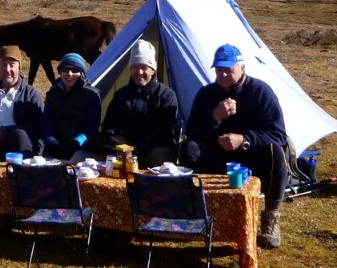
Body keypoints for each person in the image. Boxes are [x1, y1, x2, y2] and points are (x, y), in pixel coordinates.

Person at [184, 43, 289, 249]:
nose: (223, 75)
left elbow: (278, 135)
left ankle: (271, 217)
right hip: (216, 155)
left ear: (242, 68)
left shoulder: (260, 92)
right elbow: (192, 132)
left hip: (252, 157)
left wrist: (244, 139)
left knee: (275, 152)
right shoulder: (206, 94)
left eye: (228, 70)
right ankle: (198, 211)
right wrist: (214, 117)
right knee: (188, 148)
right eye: (219, 70)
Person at [98, 40, 182, 167]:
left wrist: (135, 149)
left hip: (154, 149)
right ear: (130, 69)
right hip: (125, 149)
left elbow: (162, 133)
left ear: (152, 70)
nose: (140, 72)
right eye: (136, 67)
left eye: (144, 68)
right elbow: (109, 127)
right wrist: (123, 147)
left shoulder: (166, 95)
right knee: (104, 147)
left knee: (159, 157)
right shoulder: (121, 95)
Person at [40, 52, 102, 162]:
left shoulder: (92, 95)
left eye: (75, 70)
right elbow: (46, 122)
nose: (69, 74)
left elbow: (91, 127)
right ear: (60, 71)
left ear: (81, 73)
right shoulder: (53, 93)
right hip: (57, 146)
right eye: (65, 69)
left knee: (69, 165)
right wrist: (51, 141)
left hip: (83, 147)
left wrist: (76, 142)